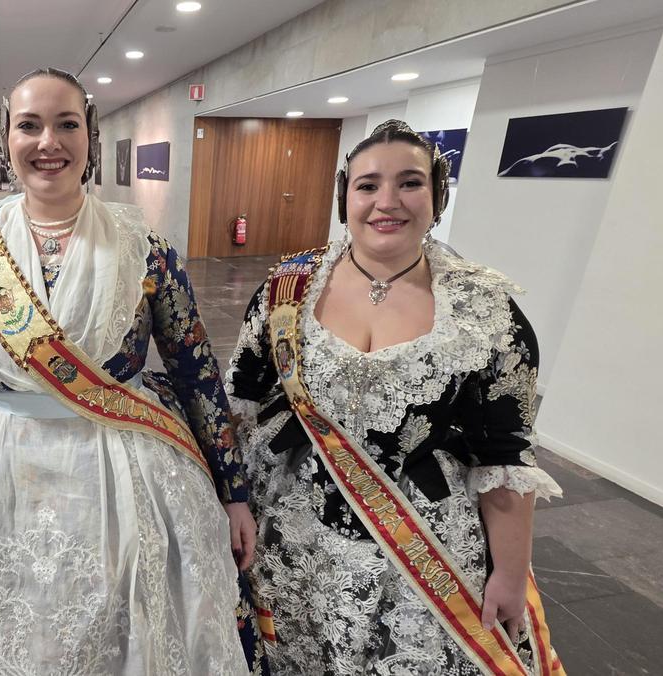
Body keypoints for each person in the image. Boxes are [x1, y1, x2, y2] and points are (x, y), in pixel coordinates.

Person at [0, 68, 267, 675]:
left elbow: (196, 372)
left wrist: (233, 493)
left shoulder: (144, 247)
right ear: (6, 140)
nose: (48, 142)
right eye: (29, 125)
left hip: (122, 466)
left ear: (90, 137)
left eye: (67, 125)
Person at [227, 119, 565, 675]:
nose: (388, 201)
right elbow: (240, 403)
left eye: (410, 182)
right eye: (367, 185)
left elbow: (505, 457)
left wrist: (509, 571)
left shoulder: (484, 310)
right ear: (344, 198)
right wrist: (232, 502)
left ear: (437, 194)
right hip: (289, 525)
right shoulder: (288, 286)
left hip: (418, 539)